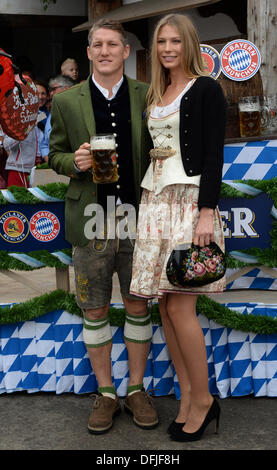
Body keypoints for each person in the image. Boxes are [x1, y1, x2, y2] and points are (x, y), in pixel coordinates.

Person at [48, 19, 158, 434]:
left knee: (136, 305)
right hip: (90, 218)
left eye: (114, 44)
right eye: (98, 44)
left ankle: (135, 388)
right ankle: (106, 392)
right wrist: (70, 163)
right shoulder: (66, 101)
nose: (106, 50)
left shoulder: (148, 96)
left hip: (138, 218)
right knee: (94, 309)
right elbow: (54, 154)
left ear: (126, 51)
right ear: (89, 52)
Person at [130, 14, 227, 442]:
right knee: (166, 307)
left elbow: (213, 154)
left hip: (189, 202)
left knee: (182, 306)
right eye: (161, 42)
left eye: (175, 41)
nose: (168, 48)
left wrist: (207, 211)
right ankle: (188, 395)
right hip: (155, 200)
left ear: (188, 44)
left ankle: (204, 400)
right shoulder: (157, 91)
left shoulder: (205, 88)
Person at [40, 75, 75, 162]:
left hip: (73, 164)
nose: (51, 93)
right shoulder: (52, 112)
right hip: (54, 165)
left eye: (54, 89)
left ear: (66, 88)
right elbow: (44, 143)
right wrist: (49, 159)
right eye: (50, 90)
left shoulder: (77, 110)